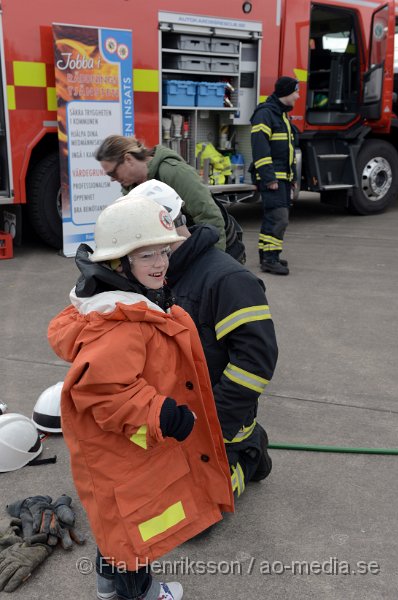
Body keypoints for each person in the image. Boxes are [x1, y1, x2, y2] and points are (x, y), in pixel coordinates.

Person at [47, 196, 234, 600]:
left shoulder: (129, 303)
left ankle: (105, 585)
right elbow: (100, 389)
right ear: (119, 263)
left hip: (123, 451)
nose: (160, 262)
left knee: (116, 526)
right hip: (128, 449)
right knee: (135, 541)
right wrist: (160, 412)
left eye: (164, 251)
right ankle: (140, 594)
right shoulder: (122, 325)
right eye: (146, 254)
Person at [128, 180, 278, 499]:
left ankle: (248, 456)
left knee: (193, 505)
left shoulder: (228, 280)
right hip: (175, 415)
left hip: (220, 424)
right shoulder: (157, 275)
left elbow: (255, 364)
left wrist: (213, 426)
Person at [94, 134, 227, 251]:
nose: (111, 179)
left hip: (203, 253)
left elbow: (210, 217)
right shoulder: (130, 187)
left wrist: (214, 265)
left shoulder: (174, 172)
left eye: (113, 172)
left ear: (128, 159)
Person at [250, 76, 300, 275]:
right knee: (279, 219)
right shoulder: (265, 114)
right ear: (286, 93)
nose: (298, 96)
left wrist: (293, 176)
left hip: (283, 178)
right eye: (295, 91)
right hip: (274, 179)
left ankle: (268, 255)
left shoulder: (281, 115)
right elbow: (260, 149)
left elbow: (287, 150)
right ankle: (270, 259)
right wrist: (269, 178)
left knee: (273, 218)